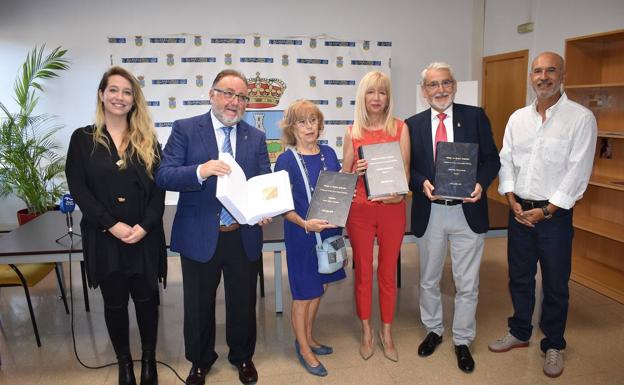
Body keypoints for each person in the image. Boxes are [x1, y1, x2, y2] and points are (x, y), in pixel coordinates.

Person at [155, 69, 271, 385]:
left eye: (242, 97)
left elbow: (262, 182)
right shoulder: (186, 129)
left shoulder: (256, 137)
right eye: (228, 93)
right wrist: (201, 171)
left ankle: (243, 357)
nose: (235, 102)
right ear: (212, 95)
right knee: (197, 305)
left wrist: (264, 208)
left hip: (242, 235)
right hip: (199, 236)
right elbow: (164, 175)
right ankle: (200, 361)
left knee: (243, 304)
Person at [489, 52, 597, 378]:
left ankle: (553, 343)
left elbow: (578, 171)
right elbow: (506, 160)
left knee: (554, 283)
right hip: (519, 211)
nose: (543, 76)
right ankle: (520, 330)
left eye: (551, 70)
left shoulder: (580, 119)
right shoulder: (517, 118)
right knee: (519, 277)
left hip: (555, 216)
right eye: (537, 71)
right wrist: (510, 198)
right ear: (531, 77)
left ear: (563, 74)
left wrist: (548, 210)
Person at [66, 66, 166, 385]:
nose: (120, 97)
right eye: (114, 90)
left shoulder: (148, 140)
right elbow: (79, 188)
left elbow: (158, 190)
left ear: (134, 99)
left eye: (127, 92)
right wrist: (111, 225)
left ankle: (148, 361)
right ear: (102, 94)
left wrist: (146, 226)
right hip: (105, 238)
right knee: (115, 302)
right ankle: (125, 364)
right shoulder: (82, 140)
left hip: (144, 238)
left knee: (147, 300)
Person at [405, 62, 500, 373]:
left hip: (467, 211)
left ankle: (462, 340)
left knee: (467, 283)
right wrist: (421, 183)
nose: (440, 90)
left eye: (446, 83)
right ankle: (434, 330)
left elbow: (491, 159)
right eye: (433, 84)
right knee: (429, 279)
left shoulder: (475, 116)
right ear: (424, 91)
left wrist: (480, 183)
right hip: (430, 211)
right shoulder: (412, 124)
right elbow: (407, 170)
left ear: (455, 86)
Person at [274, 100, 346, 376]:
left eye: (313, 120)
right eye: (302, 122)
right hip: (303, 234)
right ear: (292, 127)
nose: (309, 127)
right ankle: (303, 348)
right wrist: (305, 223)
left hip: (329, 233)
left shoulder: (328, 152)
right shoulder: (286, 159)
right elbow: (282, 204)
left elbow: (335, 191)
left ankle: (309, 336)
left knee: (322, 287)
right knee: (304, 294)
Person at [342, 70, 410, 362]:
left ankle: (387, 331)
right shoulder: (352, 131)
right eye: (371, 92)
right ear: (363, 96)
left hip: (392, 210)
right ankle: (367, 330)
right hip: (359, 211)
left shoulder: (400, 128)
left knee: (387, 272)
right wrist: (353, 171)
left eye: (382, 92)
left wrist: (401, 193)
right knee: (364, 273)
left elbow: (405, 174)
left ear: (388, 97)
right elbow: (344, 176)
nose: (377, 98)